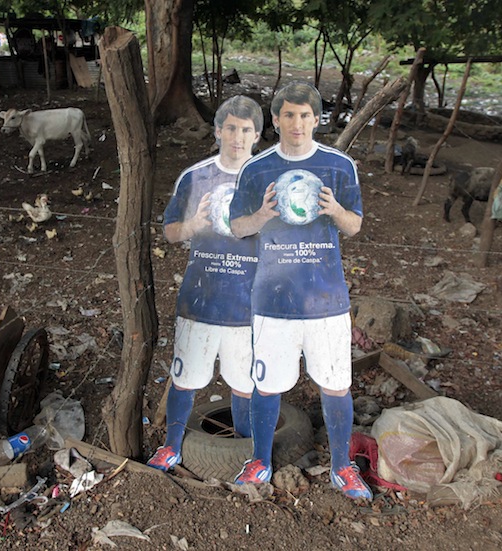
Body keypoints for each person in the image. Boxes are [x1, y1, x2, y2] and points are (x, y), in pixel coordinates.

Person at [228, 82, 372, 500]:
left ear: (317, 119)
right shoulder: (256, 169)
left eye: (305, 115)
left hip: (326, 299)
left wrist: (335, 210)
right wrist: (261, 214)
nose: (297, 123)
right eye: (289, 115)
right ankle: (260, 460)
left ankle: (342, 467)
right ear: (275, 120)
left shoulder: (338, 165)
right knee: (267, 385)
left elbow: (355, 226)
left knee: (336, 384)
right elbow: (237, 227)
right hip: (273, 299)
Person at [147, 96, 264, 471]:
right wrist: (194, 225)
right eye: (230, 128)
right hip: (200, 301)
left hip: (249, 306)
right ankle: (171, 446)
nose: (237, 137)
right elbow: (170, 232)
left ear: (257, 135)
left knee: (245, 383)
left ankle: (245, 452)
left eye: (245, 129)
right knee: (185, 378)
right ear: (217, 131)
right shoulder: (195, 177)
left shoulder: (268, 179)